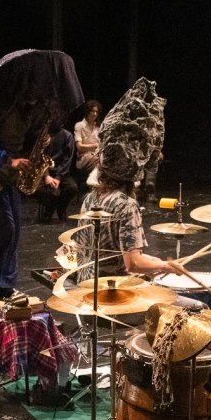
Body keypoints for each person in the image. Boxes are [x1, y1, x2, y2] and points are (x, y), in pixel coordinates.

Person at [0, 49, 84, 300]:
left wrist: (42, 142)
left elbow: (30, 140)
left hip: (14, 176)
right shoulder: (3, 108)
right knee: (2, 230)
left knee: (13, 234)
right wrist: (7, 160)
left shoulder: (37, 110)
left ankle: (5, 286)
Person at [75, 78, 183, 281]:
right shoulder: (126, 205)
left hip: (87, 285)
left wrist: (160, 263)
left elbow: (111, 254)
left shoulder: (90, 199)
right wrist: (166, 267)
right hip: (112, 290)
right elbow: (133, 264)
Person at [35, 127, 78, 223]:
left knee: (72, 188)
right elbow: (39, 157)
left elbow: (67, 159)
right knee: (40, 190)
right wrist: (46, 175)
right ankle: (50, 209)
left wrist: (58, 177)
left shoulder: (67, 135)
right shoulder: (43, 134)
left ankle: (59, 208)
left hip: (61, 172)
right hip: (44, 172)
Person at [72, 99, 101, 190]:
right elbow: (79, 146)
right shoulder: (79, 125)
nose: (95, 114)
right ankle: (93, 182)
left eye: (96, 112)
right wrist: (94, 146)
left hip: (97, 155)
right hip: (84, 158)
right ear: (87, 111)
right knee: (99, 161)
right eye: (92, 111)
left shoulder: (99, 127)